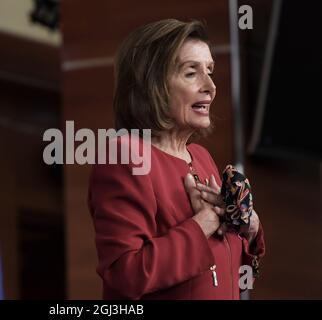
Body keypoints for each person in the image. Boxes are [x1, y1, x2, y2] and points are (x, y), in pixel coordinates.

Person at [87, 19, 265, 300]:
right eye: (191, 73)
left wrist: (245, 224)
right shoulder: (124, 156)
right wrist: (204, 222)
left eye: (210, 71)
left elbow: (216, 272)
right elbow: (126, 275)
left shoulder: (201, 157)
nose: (211, 86)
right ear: (153, 85)